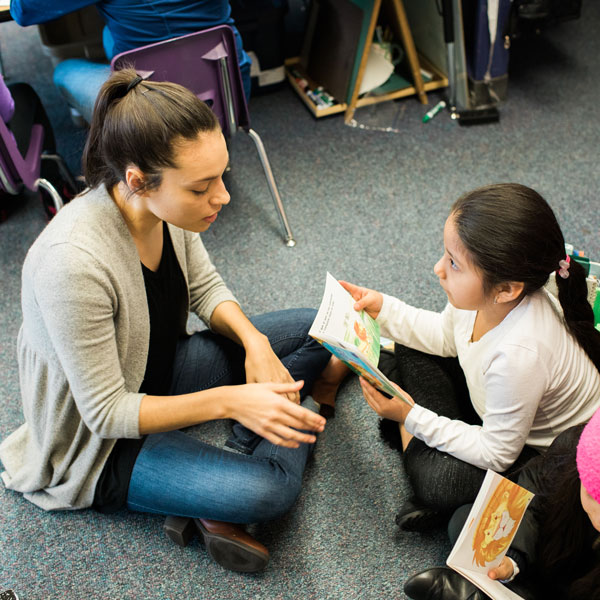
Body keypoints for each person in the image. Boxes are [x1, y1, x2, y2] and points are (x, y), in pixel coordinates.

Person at [0, 69, 344, 573]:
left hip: (160, 369)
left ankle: (248, 437)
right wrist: (233, 398)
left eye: (222, 176)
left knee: (320, 325)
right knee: (268, 491)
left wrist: (254, 343)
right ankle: (256, 442)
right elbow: (106, 413)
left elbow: (205, 289)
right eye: (203, 187)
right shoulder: (71, 263)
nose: (222, 197)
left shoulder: (163, 210)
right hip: (99, 446)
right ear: (137, 180)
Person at [341, 183, 600, 530]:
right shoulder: (485, 300)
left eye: (453, 263)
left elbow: (498, 453)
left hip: (534, 454)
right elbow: (446, 337)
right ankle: (413, 429)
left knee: (438, 484)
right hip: (498, 406)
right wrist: (382, 309)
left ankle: (408, 429)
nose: (438, 269)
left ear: (506, 289)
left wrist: (411, 416)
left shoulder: (519, 354)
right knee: (407, 345)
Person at [403, 408, 600, 600]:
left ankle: (481, 594)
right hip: (551, 559)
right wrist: (512, 556)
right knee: (465, 519)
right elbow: (533, 491)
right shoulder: (576, 447)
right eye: (593, 496)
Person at [10, 0, 252, 124]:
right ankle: (211, 150)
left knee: (63, 71)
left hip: (150, 113)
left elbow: (23, 10)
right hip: (229, 91)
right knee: (110, 35)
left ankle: (123, 146)